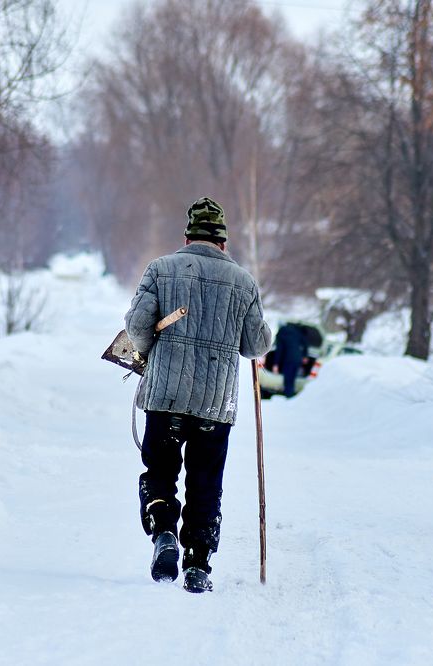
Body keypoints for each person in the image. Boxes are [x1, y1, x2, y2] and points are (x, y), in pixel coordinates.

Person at [124, 196, 272, 593]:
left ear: (187, 237)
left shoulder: (161, 269)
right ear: (223, 242)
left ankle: (164, 534)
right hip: (214, 405)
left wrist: (151, 346)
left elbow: (138, 328)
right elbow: (256, 344)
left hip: (165, 398)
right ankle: (198, 565)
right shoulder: (243, 281)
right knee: (206, 482)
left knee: (160, 472)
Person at [272, 322, 308, 398]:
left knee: (287, 380)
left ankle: (288, 397)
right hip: (298, 358)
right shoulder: (297, 331)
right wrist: (305, 356)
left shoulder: (281, 333)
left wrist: (276, 364)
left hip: (288, 359)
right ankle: (291, 396)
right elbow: (305, 344)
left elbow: (280, 350)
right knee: (292, 379)